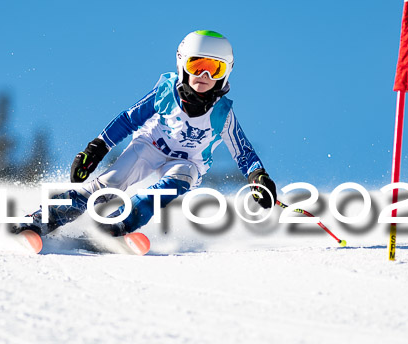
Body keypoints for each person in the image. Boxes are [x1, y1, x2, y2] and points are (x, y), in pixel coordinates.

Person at [14, 30, 277, 240]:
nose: (204, 75)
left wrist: (258, 177)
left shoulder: (222, 114)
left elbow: (243, 152)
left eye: (214, 69)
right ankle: (40, 220)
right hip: (151, 145)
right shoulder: (165, 92)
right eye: (197, 65)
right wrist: (97, 148)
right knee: (106, 186)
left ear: (226, 73)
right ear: (182, 64)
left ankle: (116, 226)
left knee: (165, 189)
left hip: (188, 163)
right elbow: (129, 118)